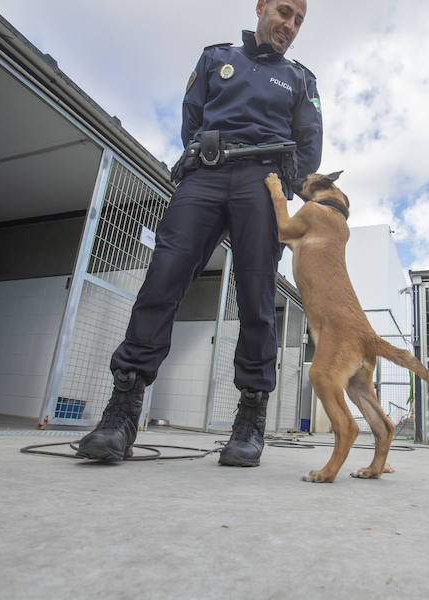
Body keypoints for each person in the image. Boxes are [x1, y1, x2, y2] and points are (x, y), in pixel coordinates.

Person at [77, 0, 322, 466]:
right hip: (206, 174)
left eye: (298, 21)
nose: (289, 26)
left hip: (263, 184)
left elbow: (309, 144)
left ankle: (249, 420)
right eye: (284, 12)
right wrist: (207, 154)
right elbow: (192, 118)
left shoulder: (300, 80)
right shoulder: (217, 58)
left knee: (256, 298)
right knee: (163, 279)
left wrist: (282, 186)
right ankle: (121, 413)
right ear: (261, 7)